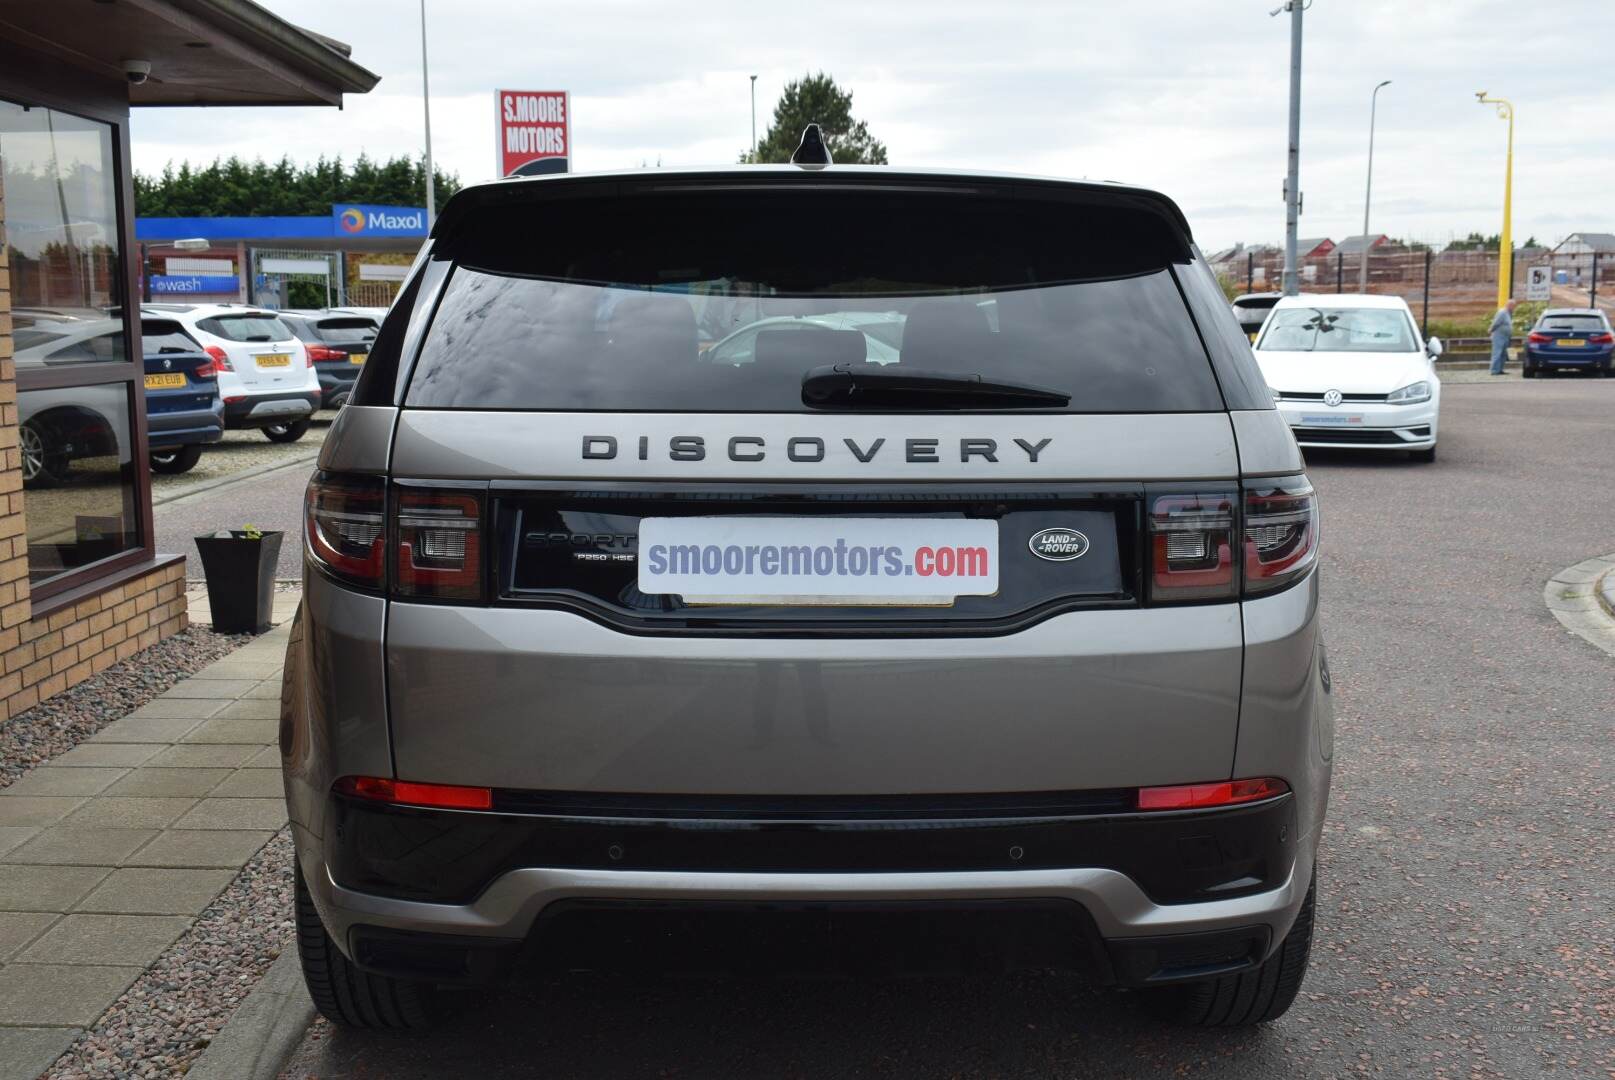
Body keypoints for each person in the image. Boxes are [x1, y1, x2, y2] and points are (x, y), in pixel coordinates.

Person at [1489, 298, 1518, 376]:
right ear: (1509, 305)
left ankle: (1500, 370)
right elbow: (1496, 323)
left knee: (1503, 354)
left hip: (1505, 336)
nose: (1514, 308)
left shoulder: (1508, 313)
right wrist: (1491, 330)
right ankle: (1494, 370)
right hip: (1499, 336)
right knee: (1497, 353)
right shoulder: (1502, 312)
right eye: (1513, 306)